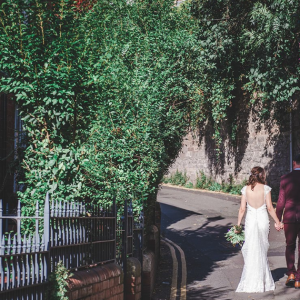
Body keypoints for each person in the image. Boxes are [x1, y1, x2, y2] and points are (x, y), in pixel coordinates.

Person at [235, 166, 282, 293]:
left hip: (250, 221)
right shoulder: (265, 189)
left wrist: (238, 225)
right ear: (262, 175)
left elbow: (242, 209)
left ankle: (251, 281)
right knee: (261, 249)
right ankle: (263, 281)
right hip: (262, 220)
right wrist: (278, 222)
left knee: (252, 249)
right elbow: (270, 208)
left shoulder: (245, 189)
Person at [276, 153, 300, 289]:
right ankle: (299, 279)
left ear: (294, 163)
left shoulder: (285, 179)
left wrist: (277, 219)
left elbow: (280, 202)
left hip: (290, 217)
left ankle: (291, 273)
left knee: (290, 245)